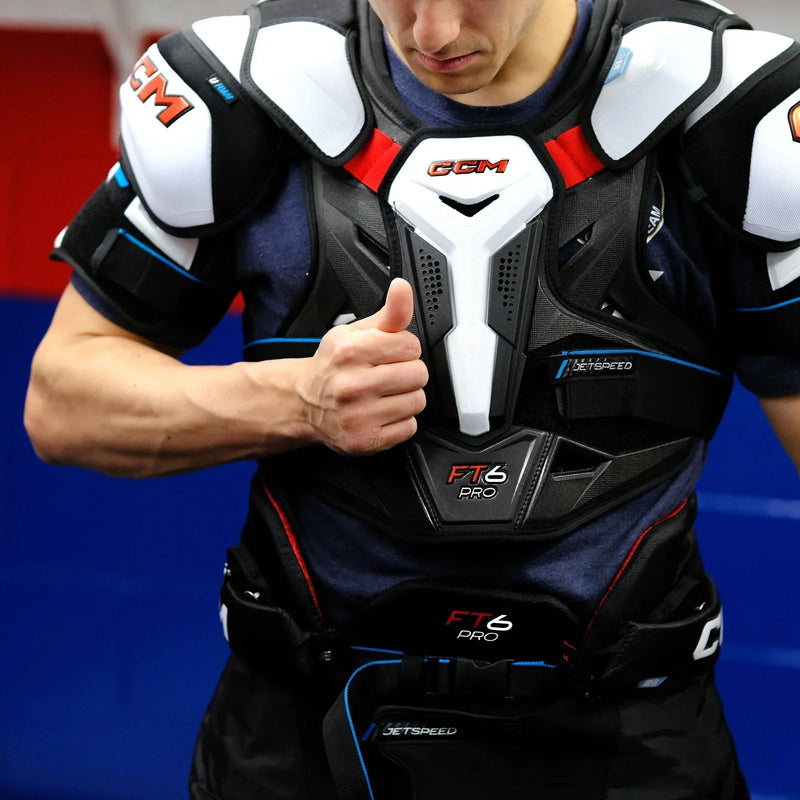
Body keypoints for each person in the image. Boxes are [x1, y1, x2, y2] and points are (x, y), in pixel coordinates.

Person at [23, 0, 800, 796]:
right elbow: (63, 402)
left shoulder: (730, 110)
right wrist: (298, 400)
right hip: (301, 739)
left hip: (623, 743)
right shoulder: (238, 98)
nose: (432, 32)